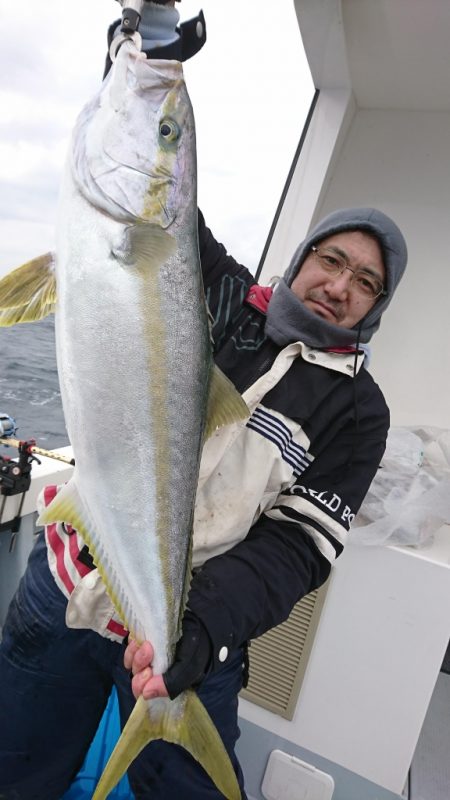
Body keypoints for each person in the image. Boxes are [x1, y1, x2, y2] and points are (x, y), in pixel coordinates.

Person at [0, 3, 408, 800]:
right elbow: (157, 196)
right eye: (331, 260)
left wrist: (199, 629)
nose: (340, 286)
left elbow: (299, 548)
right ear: (299, 261)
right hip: (67, 588)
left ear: (376, 307)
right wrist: (140, 60)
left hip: (191, 634)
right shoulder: (217, 295)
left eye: (367, 283)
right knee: (18, 769)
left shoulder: (360, 414)